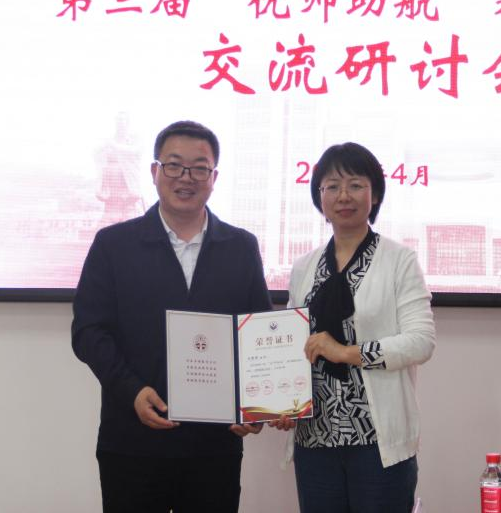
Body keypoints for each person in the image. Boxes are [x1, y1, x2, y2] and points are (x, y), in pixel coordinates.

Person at [72, 120, 272, 513]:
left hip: (214, 446)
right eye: (174, 165)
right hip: (132, 441)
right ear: (154, 171)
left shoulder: (241, 247)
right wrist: (131, 391)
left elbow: (259, 335)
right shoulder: (114, 245)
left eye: (199, 168)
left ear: (214, 177)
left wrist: (258, 405)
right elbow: (89, 331)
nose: (186, 177)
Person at [276, 142, 435, 513]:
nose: (343, 196)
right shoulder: (304, 267)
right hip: (315, 440)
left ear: (374, 194)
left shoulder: (399, 260)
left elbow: (421, 341)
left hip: (377, 442)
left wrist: (346, 353)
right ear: (319, 196)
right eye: (332, 186)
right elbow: (290, 345)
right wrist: (281, 402)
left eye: (355, 185)